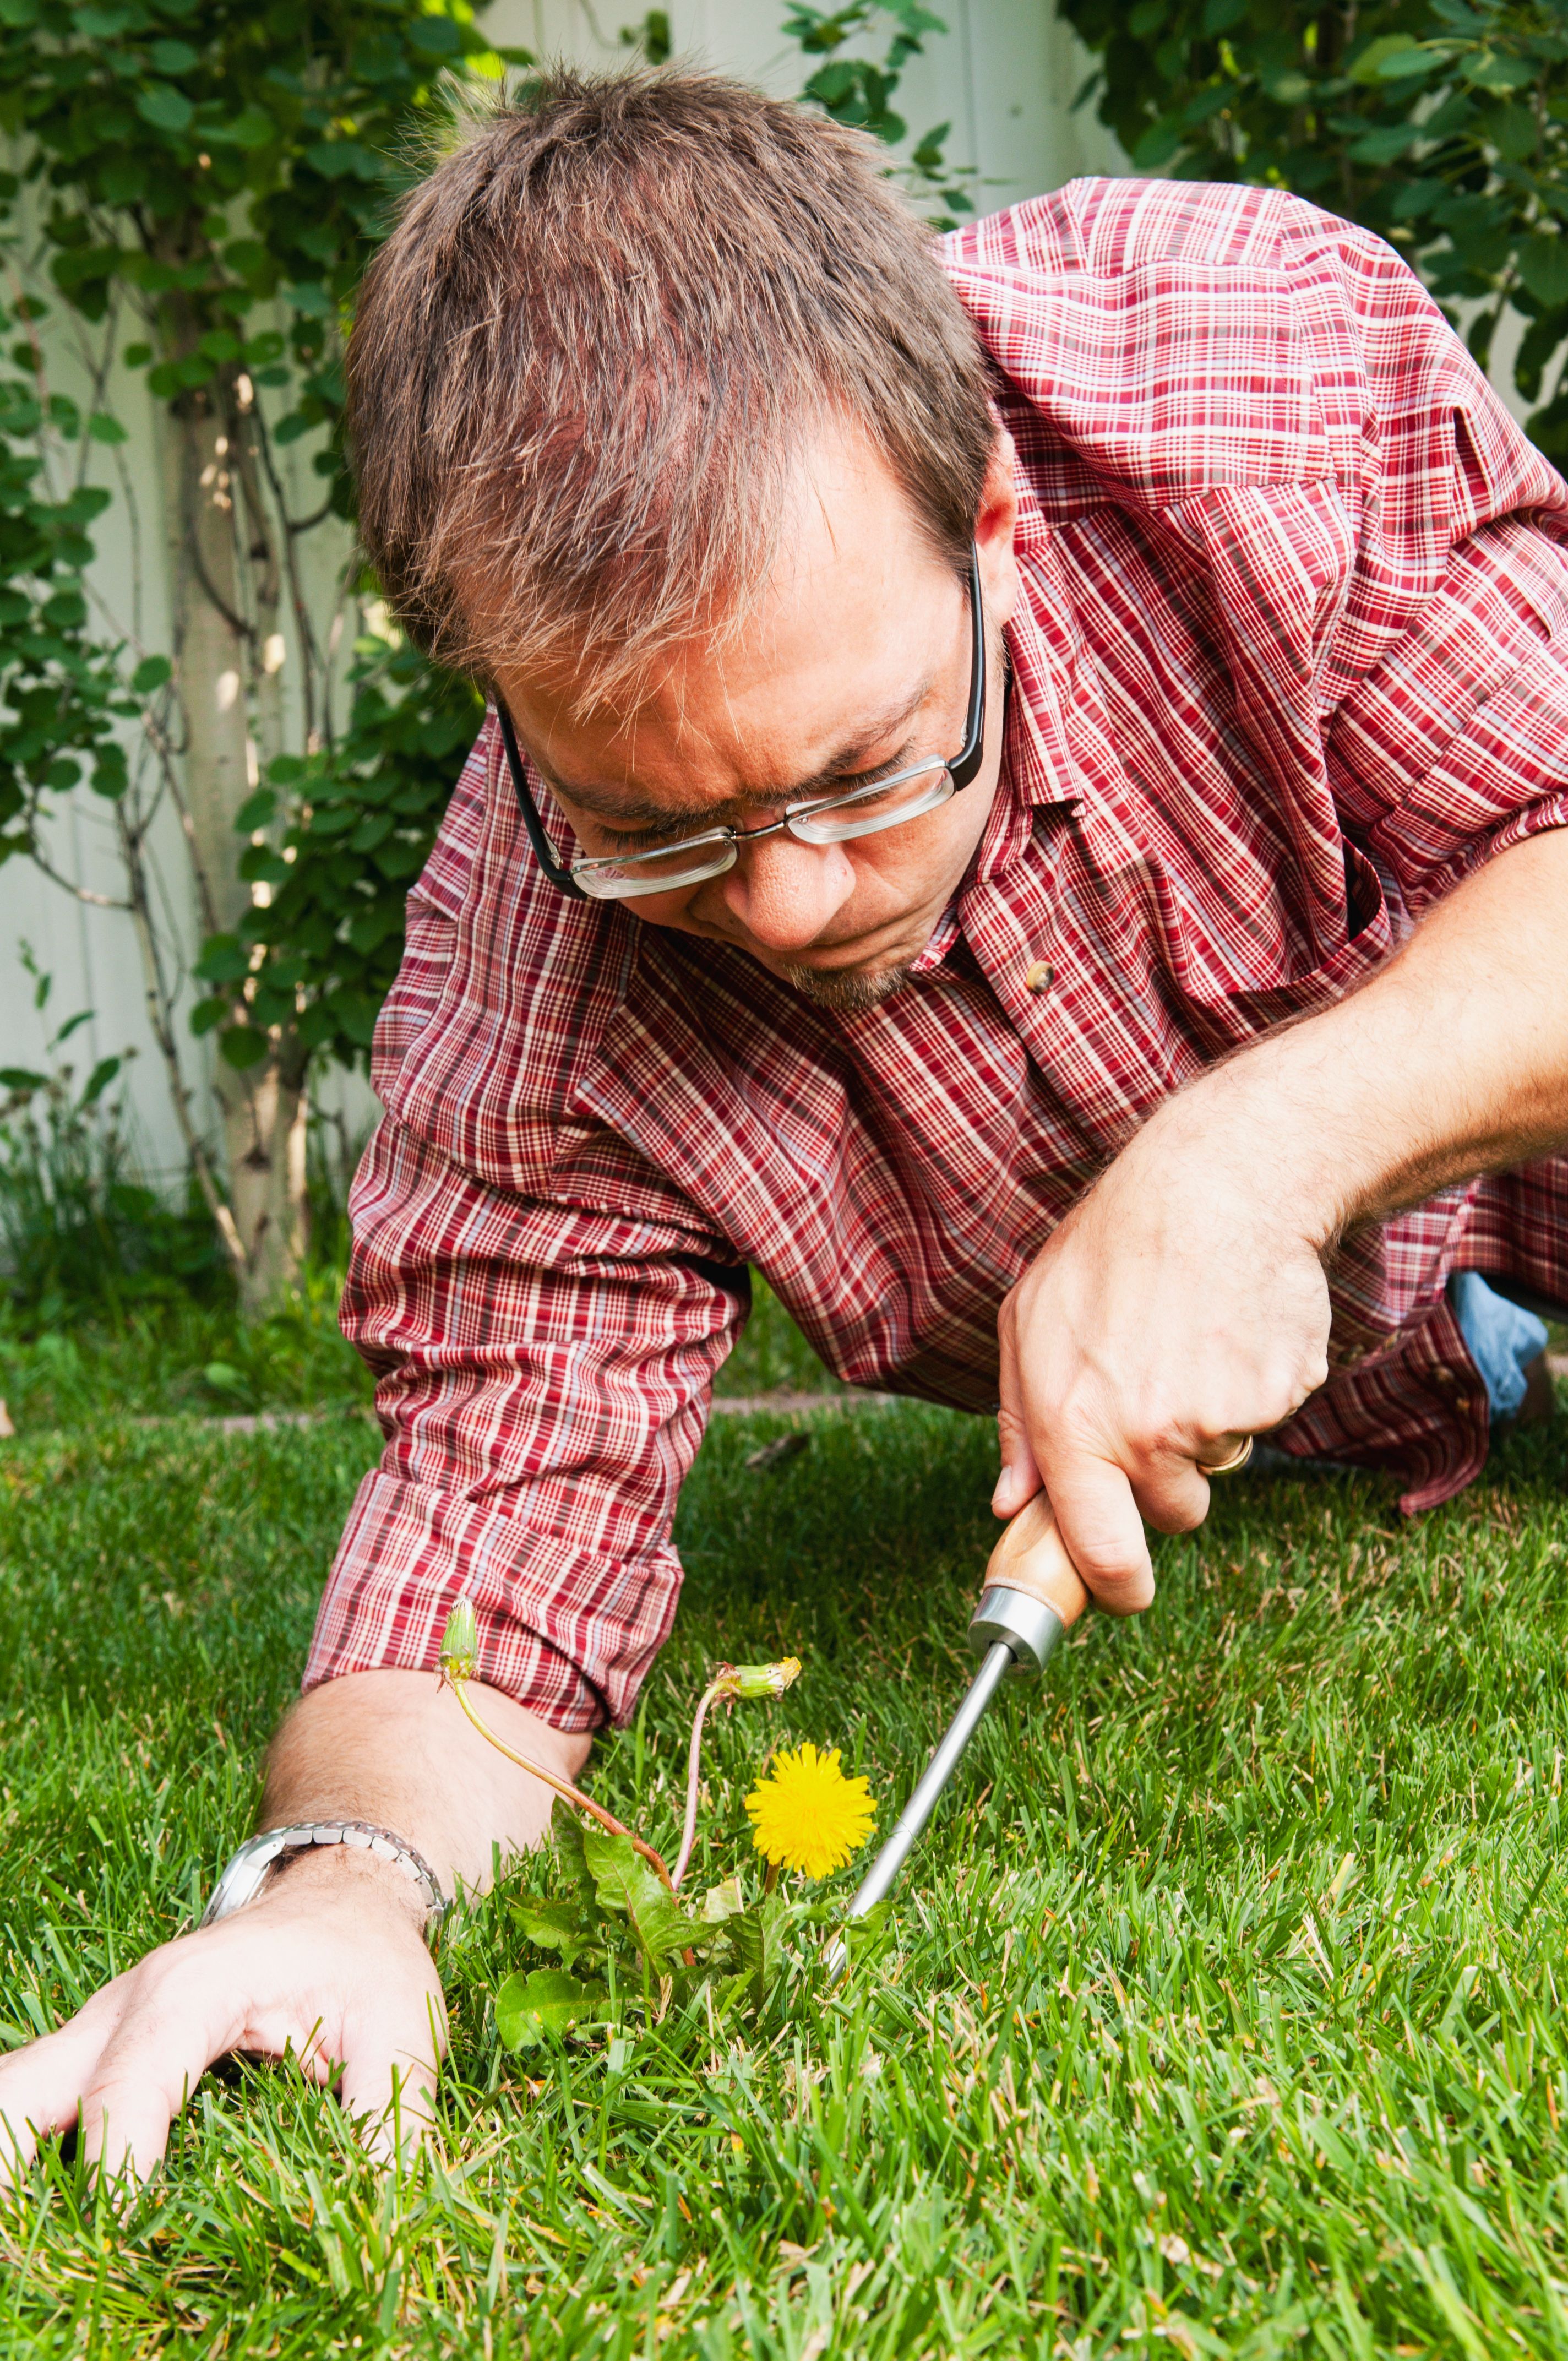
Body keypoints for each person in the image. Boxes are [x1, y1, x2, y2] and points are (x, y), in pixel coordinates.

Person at [4, 66, 1567, 2187]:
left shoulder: (1237, 387)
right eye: (657, 829)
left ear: (994, 528)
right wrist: (344, 1890)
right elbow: (491, 1538)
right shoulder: (527, 963)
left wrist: (1251, 1159)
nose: (792, 905)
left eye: (863, 771)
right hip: (1328, 1404)